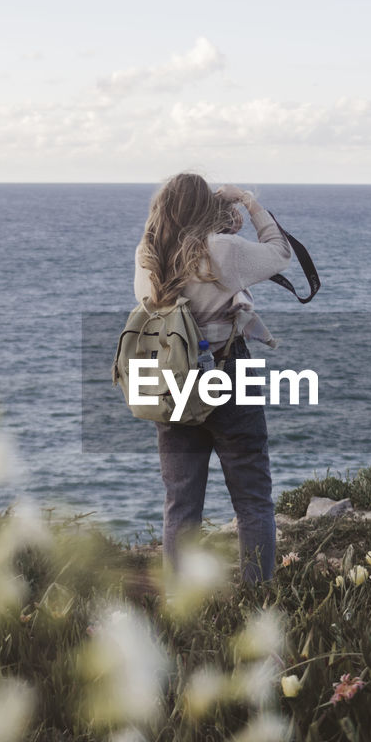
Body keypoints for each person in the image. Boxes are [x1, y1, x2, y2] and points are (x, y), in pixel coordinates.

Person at [134, 172, 291, 584]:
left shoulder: (147, 256)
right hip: (227, 371)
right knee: (252, 499)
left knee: (181, 505)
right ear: (207, 208)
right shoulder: (223, 250)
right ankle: (257, 598)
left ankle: (179, 603)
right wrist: (248, 203)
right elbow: (279, 253)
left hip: (173, 380)